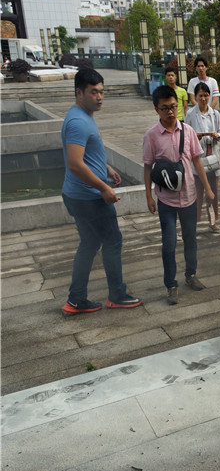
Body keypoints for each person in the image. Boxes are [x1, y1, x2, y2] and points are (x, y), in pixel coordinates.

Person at [60, 68, 143, 315]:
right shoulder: (77, 121)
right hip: (89, 197)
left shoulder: (83, 115)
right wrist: (104, 187)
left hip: (80, 194)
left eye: (102, 92)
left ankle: (75, 299)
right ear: (79, 92)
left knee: (89, 243)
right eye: (93, 92)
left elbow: (85, 154)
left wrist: (105, 167)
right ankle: (117, 295)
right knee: (112, 241)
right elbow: (75, 163)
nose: (99, 97)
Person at [143, 85, 214, 305]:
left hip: (189, 197)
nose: (171, 112)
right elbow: (147, 167)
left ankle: (191, 275)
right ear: (157, 110)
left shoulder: (188, 131)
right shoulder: (152, 136)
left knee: (191, 239)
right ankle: (170, 285)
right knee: (169, 243)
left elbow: (197, 161)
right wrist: (148, 196)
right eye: (165, 108)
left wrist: (208, 188)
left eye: (173, 107)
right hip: (166, 199)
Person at [184, 82, 220, 233]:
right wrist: (195, 136)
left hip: (212, 155)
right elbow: (185, 135)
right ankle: (192, 224)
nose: (203, 98)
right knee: (196, 192)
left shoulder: (214, 113)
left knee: (213, 191)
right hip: (198, 158)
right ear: (195, 97)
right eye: (200, 96)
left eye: (206, 95)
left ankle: (213, 222)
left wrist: (217, 135)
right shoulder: (190, 114)